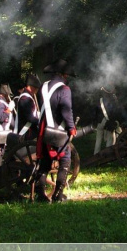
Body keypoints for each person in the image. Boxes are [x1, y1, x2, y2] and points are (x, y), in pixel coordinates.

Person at [34, 59, 77, 203]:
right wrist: (71, 127)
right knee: (65, 160)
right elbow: (66, 110)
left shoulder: (42, 87)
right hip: (57, 130)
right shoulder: (64, 89)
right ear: (63, 75)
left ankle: (40, 196)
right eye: (66, 75)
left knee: (44, 162)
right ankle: (58, 196)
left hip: (43, 130)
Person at [93, 85, 125, 154]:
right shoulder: (111, 99)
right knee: (111, 138)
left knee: (98, 140)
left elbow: (95, 111)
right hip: (107, 121)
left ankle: (96, 154)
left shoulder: (99, 99)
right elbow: (113, 112)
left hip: (99, 122)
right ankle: (107, 154)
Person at [14, 74, 41, 140]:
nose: (36, 90)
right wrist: (41, 121)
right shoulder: (25, 98)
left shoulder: (27, 97)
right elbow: (30, 118)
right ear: (32, 87)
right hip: (26, 133)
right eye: (36, 88)